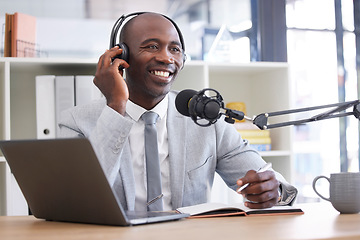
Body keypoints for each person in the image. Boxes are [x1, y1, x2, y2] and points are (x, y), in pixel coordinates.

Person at [59, 12, 297, 212]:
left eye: (175, 49)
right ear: (121, 56)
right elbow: (77, 200)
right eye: (152, 46)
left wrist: (271, 190)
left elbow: (275, 184)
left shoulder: (205, 119)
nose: (166, 57)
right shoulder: (77, 122)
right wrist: (116, 107)